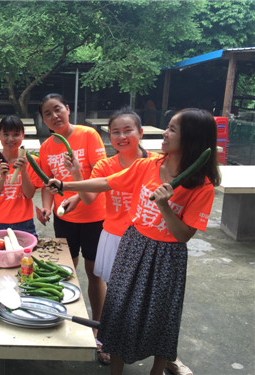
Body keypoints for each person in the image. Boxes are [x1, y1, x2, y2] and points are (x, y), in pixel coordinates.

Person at [46, 108, 220, 375]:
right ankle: (117, 369)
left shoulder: (202, 186)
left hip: (167, 256)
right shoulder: (148, 166)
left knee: (161, 315)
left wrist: (164, 206)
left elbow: (183, 234)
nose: (165, 132)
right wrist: (64, 186)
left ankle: (158, 369)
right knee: (118, 310)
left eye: (172, 129)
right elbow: (106, 182)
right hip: (134, 244)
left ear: (192, 138)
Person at [65, 108, 157, 365]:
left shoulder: (157, 162)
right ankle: (109, 341)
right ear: (109, 137)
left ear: (140, 132)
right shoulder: (106, 165)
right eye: (115, 132)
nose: (121, 136)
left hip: (147, 241)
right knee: (115, 297)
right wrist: (75, 174)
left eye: (128, 130)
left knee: (146, 298)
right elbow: (89, 197)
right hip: (114, 237)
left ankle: (160, 351)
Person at [37, 93, 107, 331]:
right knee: (66, 270)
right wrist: (47, 206)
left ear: (67, 108)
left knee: (94, 273)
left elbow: (100, 176)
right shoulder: (46, 147)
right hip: (64, 216)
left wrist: (77, 196)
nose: (54, 116)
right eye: (48, 113)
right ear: (43, 120)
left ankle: (97, 326)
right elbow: (48, 184)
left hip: (94, 215)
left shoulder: (88, 135)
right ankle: (64, 320)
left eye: (58, 109)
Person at [0, 115, 42, 236]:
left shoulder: (33, 162)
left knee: (25, 255)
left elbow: (29, 195)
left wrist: (23, 171)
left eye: (16, 134)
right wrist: (2, 178)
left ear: (23, 135)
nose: (11, 139)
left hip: (24, 222)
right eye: (6, 134)